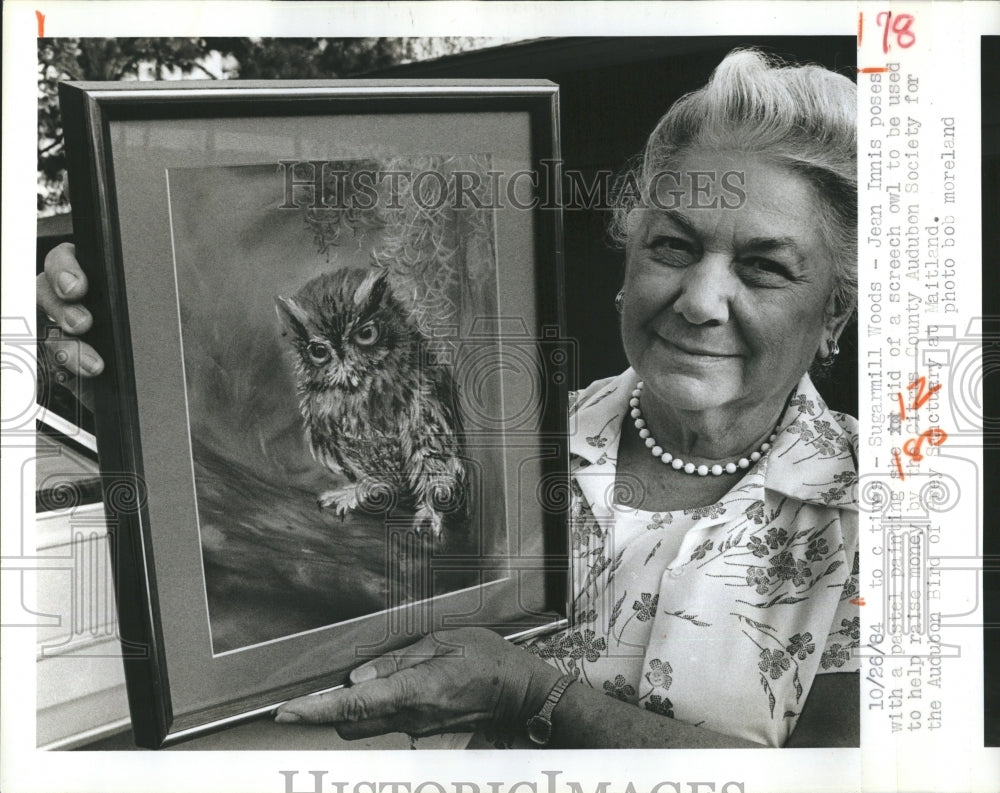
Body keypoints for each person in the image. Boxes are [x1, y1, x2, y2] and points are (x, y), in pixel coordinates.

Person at [37, 48, 859, 748]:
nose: (700, 300)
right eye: (673, 246)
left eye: (764, 267)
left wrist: (528, 694)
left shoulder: (883, 507)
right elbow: (342, 587)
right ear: (628, 258)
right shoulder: (525, 438)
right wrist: (139, 357)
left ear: (834, 311)